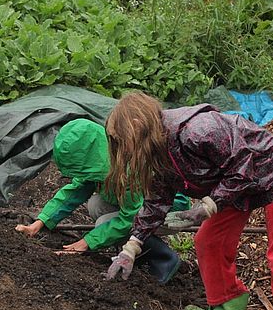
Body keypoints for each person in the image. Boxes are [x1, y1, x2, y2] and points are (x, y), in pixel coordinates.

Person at [103, 92, 273, 310]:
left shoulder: (196, 130)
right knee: (208, 240)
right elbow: (156, 202)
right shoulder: (157, 150)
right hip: (232, 186)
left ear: (138, 123)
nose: (123, 149)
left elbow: (243, 165)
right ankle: (230, 308)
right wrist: (131, 247)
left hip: (271, 172)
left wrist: (208, 204)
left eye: (122, 140)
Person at [14, 118, 190, 284]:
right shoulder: (98, 159)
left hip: (170, 210)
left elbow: (131, 218)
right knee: (96, 204)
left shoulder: (127, 168)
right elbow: (75, 190)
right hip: (139, 204)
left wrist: (86, 242)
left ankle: (164, 260)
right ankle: (133, 255)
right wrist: (41, 221)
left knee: (104, 223)